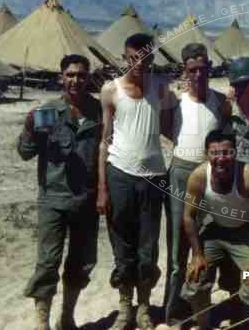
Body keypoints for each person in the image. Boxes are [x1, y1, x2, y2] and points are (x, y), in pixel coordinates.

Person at [18, 54, 101, 330]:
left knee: (81, 263)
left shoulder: (99, 112)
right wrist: (29, 131)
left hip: (86, 201)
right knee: (47, 263)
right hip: (53, 199)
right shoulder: (48, 113)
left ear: (88, 77)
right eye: (70, 74)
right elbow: (26, 153)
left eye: (80, 75)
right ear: (61, 77)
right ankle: (42, 322)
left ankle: (66, 317)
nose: (75, 80)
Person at [97, 33, 173, 330]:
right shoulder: (110, 90)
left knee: (148, 245)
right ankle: (125, 306)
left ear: (153, 58)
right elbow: (104, 142)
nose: (139, 63)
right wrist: (102, 187)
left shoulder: (161, 88)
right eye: (133, 57)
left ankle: (144, 307)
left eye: (146, 57)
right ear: (125, 57)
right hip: (120, 174)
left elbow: (170, 128)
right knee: (122, 243)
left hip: (154, 176)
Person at [163, 43, 231, 326]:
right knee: (178, 244)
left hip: (210, 174)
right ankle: (175, 309)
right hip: (180, 172)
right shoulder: (177, 102)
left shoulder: (220, 101)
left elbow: (225, 133)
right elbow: (167, 129)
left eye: (204, 69)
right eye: (193, 70)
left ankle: (200, 303)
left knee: (206, 239)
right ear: (185, 71)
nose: (199, 74)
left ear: (210, 69)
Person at [178, 130, 249, 330]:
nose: (221, 159)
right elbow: (188, 215)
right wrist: (197, 254)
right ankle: (203, 325)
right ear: (207, 154)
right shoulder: (199, 176)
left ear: (235, 153)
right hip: (216, 230)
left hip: (245, 230)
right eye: (215, 153)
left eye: (227, 153)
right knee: (196, 276)